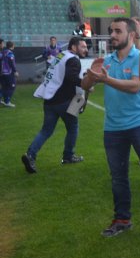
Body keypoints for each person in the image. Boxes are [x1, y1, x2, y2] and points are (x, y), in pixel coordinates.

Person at [81, 17, 140, 237]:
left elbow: (135, 86)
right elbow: (85, 85)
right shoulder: (107, 60)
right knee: (118, 176)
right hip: (113, 127)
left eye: (117, 31)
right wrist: (91, 77)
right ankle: (122, 218)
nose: (112, 35)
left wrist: (105, 79)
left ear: (131, 35)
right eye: (111, 31)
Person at [21, 37, 89, 173]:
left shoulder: (61, 55)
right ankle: (68, 156)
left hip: (49, 100)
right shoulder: (73, 59)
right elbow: (72, 78)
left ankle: (30, 155)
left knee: (46, 131)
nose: (86, 49)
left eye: (86, 47)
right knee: (73, 128)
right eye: (83, 46)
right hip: (64, 101)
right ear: (74, 47)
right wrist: (86, 83)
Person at [1, 41, 18, 107]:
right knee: (12, 87)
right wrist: (15, 71)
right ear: (12, 46)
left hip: (2, 73)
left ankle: (5, 101)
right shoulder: (10, 53)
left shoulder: (2, 52)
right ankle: (7, 102)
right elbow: (12, 63)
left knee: (4, 87)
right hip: (9, 73)